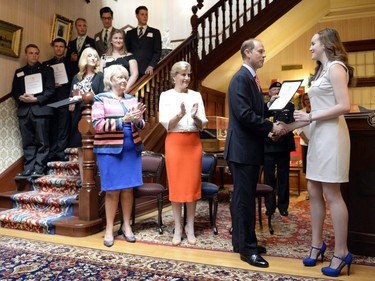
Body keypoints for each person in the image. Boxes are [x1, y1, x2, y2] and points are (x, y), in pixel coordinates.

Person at [290, 28, 353, 277]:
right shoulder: (319, 72)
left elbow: (344, 106)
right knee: (314, 190)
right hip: (317, 136)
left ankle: (341, 251)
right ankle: (317, 245)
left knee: (332, 193)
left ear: (326, 43)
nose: (310, 47)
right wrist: (288, 128)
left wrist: (310, 116)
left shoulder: (337, 67)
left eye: (313, 43)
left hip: (333, 137)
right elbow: (311, 115)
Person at [224, 39, 287, 268]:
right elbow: (244, 114)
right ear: (247, 52)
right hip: (241, 151)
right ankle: (247, 249)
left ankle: (241, 242)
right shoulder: (241, 78)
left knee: (245, 199)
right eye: (261, 51)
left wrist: (271, 105)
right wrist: (270, 127)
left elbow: (256, 111)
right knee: (244, 202)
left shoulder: (250, 79)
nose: (264, 54)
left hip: (248, 150)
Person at [92, 64, 146, 247]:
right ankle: (109, 228)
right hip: (109, 150)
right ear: (110, 81)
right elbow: (97, 126)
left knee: (128, 189)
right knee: (113, 190)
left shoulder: (132, 99)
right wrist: (122, 121)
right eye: (119, 78)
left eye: (125, 77)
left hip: (132, 149)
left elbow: (141, 124)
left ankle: (127, 226)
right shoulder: (100, 99)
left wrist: (138, 120)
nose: (124, 80)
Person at [159, 61, 208, 246]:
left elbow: (203, 124)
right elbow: (167, 125)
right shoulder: (165, 96)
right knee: (177, 186)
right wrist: (180, 114)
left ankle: (190, 227)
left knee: (192, 186)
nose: (187, 78)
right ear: (174, 77)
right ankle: (178, 227)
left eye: (188, 75)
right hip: (175, 143)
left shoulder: (196, 95)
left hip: (193, 143)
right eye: (183, 74)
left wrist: (194, 116)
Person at [12, 44, 55, 179]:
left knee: (43, 142)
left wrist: (36, 99)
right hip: (24, 111)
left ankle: (39, 168)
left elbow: (50, 90)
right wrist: (21, 97)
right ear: (26, 54)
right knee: (27, 142)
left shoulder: (46, 70)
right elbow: (14, 91)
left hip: (41, 110)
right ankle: (28, 168)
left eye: (36, 53)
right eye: (31, 53)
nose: (34, 55)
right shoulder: (19, 71)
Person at [69, 47, 104, 179]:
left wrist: (86, 97)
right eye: (90, 56)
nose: (94, 58)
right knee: (80, 149)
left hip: (94, 115)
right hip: (78, 115)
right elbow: (72, 95)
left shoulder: (100, 76)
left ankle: (94, 181)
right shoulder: (77, 77)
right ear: (84, 58)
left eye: (96, 56)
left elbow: (101, 96)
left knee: (93, 148)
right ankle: (84, 182)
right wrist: (73, 101)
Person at [263, 81, 295, 217]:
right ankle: (270, 207)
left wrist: (279, 135)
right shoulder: (264, 107)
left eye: (278, 89)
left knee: (283, 177)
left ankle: (283, 206)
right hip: (268, 146)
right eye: (274, 89)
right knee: (269, 178)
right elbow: (259, 122)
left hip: (283, 146)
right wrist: (269, 134)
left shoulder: (289, 106)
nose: (276, 91)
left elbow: (292, 124)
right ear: (269, 92)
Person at [43, 38, 73, 162]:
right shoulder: (45, 64)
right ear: (53, 47)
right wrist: (51, 85)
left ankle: (61, 151)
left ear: (65, 49)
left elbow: (74, 83)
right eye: (56, 46)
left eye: (61, 46)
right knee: (52, 125)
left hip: (65, 98)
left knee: (63, 126)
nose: (59, 48)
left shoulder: (72, 64)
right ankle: (52, 151)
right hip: (50, 99)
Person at [125, 6, 162, 77]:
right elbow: (126, 51)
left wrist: (151, 65)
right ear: (136, 16)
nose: (145, 17)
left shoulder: (155, 32)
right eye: (142, 14)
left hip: (148, 70)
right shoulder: (130, 33)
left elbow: (157, 52)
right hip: (132, 70)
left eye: (146, 14)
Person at [100, 29, 139, 93]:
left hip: (124, 90)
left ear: (123, 41)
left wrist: (125, 89)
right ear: (111, 41)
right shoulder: (104, 57)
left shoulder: (129, 56)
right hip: (108, 91)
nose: (118, 40)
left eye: (120, 38)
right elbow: (101, 75)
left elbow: (135, 74)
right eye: (115, 38)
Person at [295, 93, 311, 175]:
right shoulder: (300, 112)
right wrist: (307, 141)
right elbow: (299, 130)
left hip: (318, 144)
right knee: (307, 170)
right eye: (306, 99)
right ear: (303, 101)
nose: (308, 101)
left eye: (309, 98)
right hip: (305, 144)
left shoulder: (318, 112)